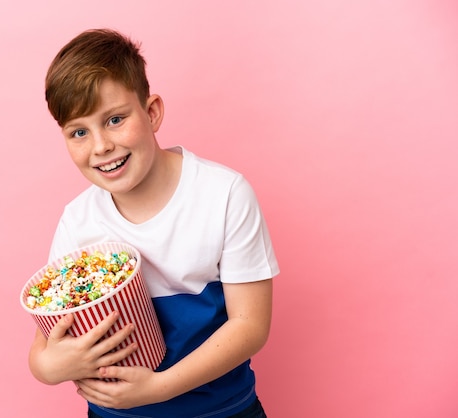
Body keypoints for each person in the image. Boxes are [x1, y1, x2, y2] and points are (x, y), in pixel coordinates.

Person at [28, 28, 280, 418]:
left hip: (221, 411)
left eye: (114, 119)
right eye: (79, 132)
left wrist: (159, 388)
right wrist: (48, 368)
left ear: (151, 112)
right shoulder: (78, 221)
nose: (100, 146)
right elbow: (47, 342)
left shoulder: (224, 194)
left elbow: (250, 326)